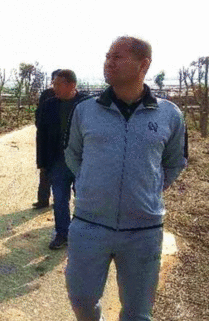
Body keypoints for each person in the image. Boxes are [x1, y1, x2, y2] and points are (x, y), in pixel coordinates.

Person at [64, 36, 188, 320]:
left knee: (137, 312)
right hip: (89, 224)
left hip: (143, 231)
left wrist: (148, 190)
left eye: (118, 57)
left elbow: (174, 162)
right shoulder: (85, 110)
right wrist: (90, 186)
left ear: (143, 65)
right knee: (82, 300)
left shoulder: (169, 114)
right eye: (108, 56)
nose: (109, 62)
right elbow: (73, 155)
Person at [36, 69, 86, 249]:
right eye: (54, 84)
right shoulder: (49, 105)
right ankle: (62, 234)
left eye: (57, 84)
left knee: (83, 199)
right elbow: (41, 135)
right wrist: (42, 162)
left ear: (71, 85)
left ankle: (82, 233)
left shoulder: (87, 104)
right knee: (59, 199)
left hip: (83, 162)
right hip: (58, 161)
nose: (54, 87)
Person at [33, 69, 61, 209]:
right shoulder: (46, 95)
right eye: (55, 81)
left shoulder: (72, 98)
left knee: (63, 172)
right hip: (47, 139)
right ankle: (43, 200)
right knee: (45, 170)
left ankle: (60, 200)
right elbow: (38, 115)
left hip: (63, 141)